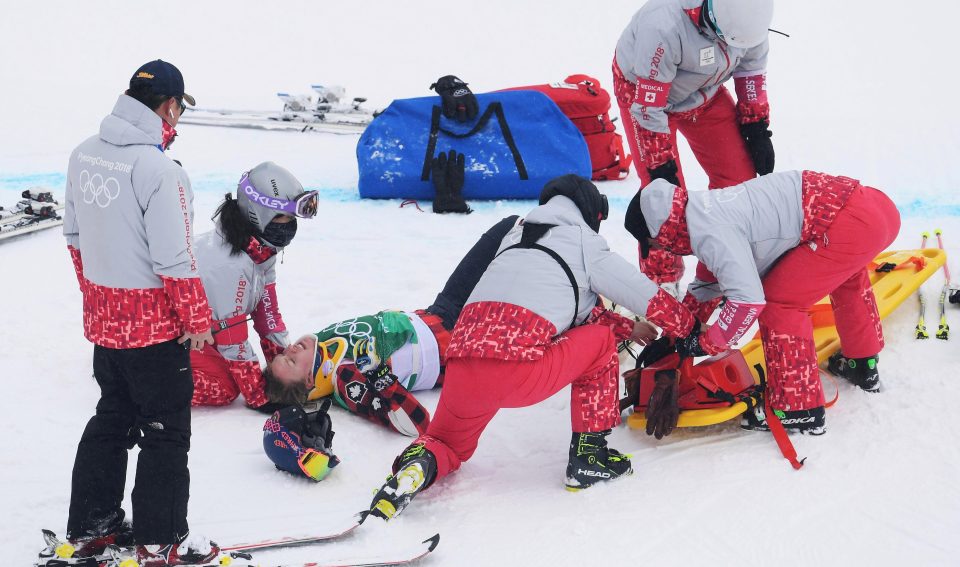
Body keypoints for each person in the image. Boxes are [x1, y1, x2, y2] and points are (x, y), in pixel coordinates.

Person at [366, 174, 699, 521]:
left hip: (462, 365)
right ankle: (590, 457)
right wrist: (691, 329)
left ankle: (416, 469)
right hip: (518, 368)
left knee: (446, 442)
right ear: (590, 213)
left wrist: (631, 329)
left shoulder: (512, 238)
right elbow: (645, 298)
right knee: (600, 344)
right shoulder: (583, 241)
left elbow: (576, 306)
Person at [61, 60, 220, 565]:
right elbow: (174, 259)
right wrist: (197, 322)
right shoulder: (160, 170)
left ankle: (92, 527)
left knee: (111, 418)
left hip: (106, 325)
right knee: (164, 433)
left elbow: (74, 237)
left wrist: (101, 299)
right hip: (156, 333)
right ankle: (159, 540)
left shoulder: (83, 153)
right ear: (170, 106)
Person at [625, 171, 901, 436]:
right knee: (846, 275)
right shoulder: (703, 211)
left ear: (663, 230)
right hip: (872, 211)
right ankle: (862, 364)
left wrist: (706, 342)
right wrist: (675, 338)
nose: (662, 251)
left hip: (849, 224)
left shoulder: (710, 232)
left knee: (781, 302)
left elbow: (748, 302)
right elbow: (708, 286)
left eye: (655, 243)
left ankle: (798, 409)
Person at [263, 212, 524, 438]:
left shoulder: (320, 345)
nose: (292, 350)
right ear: (311, 380)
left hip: (440, 313)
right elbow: (418, 424)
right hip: (459, 346)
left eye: (285, 354)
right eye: (292, 362)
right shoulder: (346, 381)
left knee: (510, 228)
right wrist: (378, 375)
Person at [613, 0, 775, 294]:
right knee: (662, 199)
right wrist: (661, 166)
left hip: (706, 94)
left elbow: (751, 72)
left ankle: (720, 270)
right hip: (645, 98)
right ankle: (662, 283)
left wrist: (756, 125)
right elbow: (649, 108)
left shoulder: (750, 22)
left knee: (739, 181)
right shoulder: (662, 26)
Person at [188, 162, 317, 412]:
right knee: (224, 387)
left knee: (230, 367)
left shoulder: (259, 251)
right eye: (283, 216)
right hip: (161, 336)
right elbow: (232, 341)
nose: (289, 225)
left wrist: (284, 369)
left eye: (292, 218)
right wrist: (260, 394)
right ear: (259, 214)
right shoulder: (229, 266)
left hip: (202, 331)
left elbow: (267, 315)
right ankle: (140, 379)